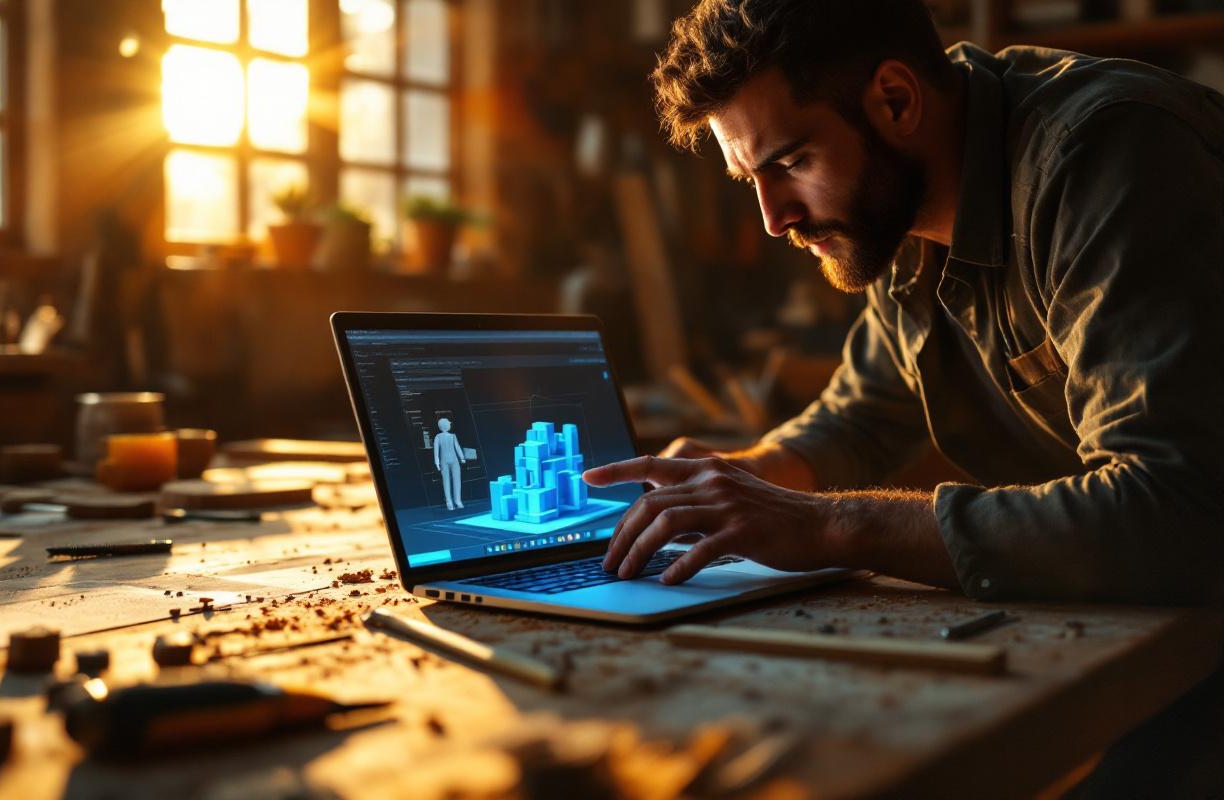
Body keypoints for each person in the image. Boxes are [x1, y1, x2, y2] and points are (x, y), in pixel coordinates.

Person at [581, 1, 1224, 792]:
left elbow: (1178, 512)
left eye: (789, 162)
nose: (775, 219)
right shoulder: (904, 207)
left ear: (895, 99)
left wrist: (833, 525)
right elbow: (863, 411)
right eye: (750, 179)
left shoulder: (1110, 154)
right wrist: (743, 478)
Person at [433, 417, 466, 510]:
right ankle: (451, 501)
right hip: (451, 460)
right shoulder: (440, 437)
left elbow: (457, 447)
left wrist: (437, 463)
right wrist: (462, 457)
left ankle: (455, 501)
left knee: (449, 480)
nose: (450, 425)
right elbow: (436, 451)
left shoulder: (450, 436)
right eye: (449, 424)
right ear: (447, 425)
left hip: (449, 461)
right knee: (452, 480)